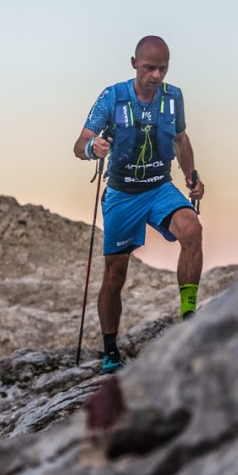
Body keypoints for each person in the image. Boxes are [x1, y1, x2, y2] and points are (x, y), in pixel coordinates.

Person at [73, 35, 205, 374]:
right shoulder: (113, 96)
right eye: (150, 68)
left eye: (163, 68)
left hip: (160, 186)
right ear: (134, 64)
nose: (157, 76)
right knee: (115, 273)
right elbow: (80, 143)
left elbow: (179, 138)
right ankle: (109, 350)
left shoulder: (173, 98)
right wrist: (94, 149)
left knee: (192, 229)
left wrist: (191, 177)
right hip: (122, 193)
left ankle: (188, 317)